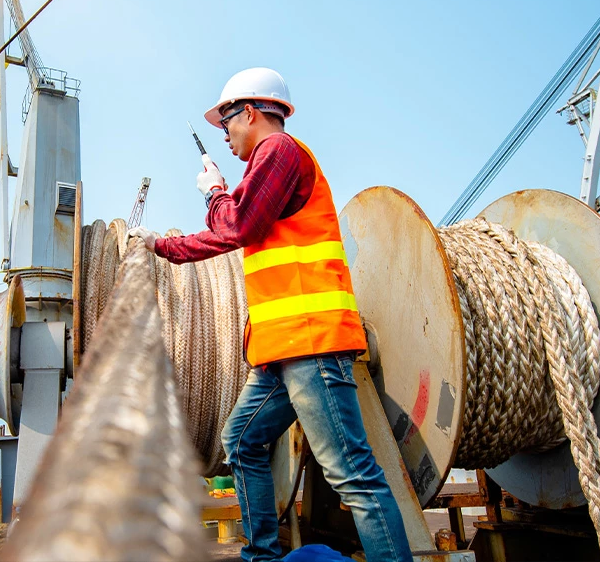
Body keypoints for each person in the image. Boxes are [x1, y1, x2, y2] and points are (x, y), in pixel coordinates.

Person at [128, 67, 412, 562]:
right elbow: (242, 222)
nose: (226, 135)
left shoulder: (278, 152)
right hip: (281, 350)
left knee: (352, 473)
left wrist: (203, 204)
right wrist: (218, 198)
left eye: (227, 124)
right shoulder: (268, 166)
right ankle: (261, 555)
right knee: (242, 439)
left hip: (311, 343)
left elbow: (238, 225)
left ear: (252, 113)